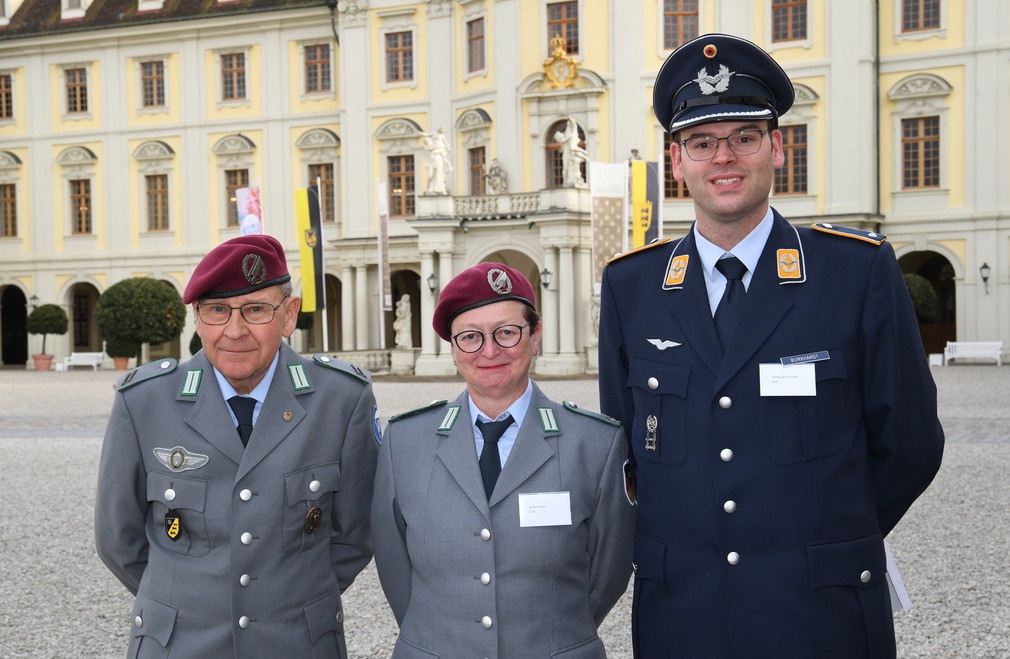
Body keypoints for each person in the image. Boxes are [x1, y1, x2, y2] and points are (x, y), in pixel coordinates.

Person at [598, 33, 944, 658]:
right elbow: (626, 453)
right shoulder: (631, 286)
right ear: (676, 162)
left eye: (744, 138)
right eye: (701, 143)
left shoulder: (856, 273)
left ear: (777, 147)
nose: (723, 158)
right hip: (683, 617)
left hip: (820, 613)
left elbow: (911, 445)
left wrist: (827, 537)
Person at [95, 234, 381, 658]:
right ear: (197, 318)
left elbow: (356, 533)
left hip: (297, 642)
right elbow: (118, 539)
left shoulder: (340, 399)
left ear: (289, 315)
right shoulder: (143, 401)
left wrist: (289, 596)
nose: (234, 330)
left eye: (255, 310)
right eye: (216, 311)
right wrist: (185, 596)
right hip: (179, 644)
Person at [372, 262, 635, 658]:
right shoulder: (404, 442)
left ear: (536, 336)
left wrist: (554, 634)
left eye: (507, 333)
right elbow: (394, 567)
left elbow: (609, 572)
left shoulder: (595, 442)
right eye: (471, 337)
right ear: (454, 349)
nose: (490, 351)